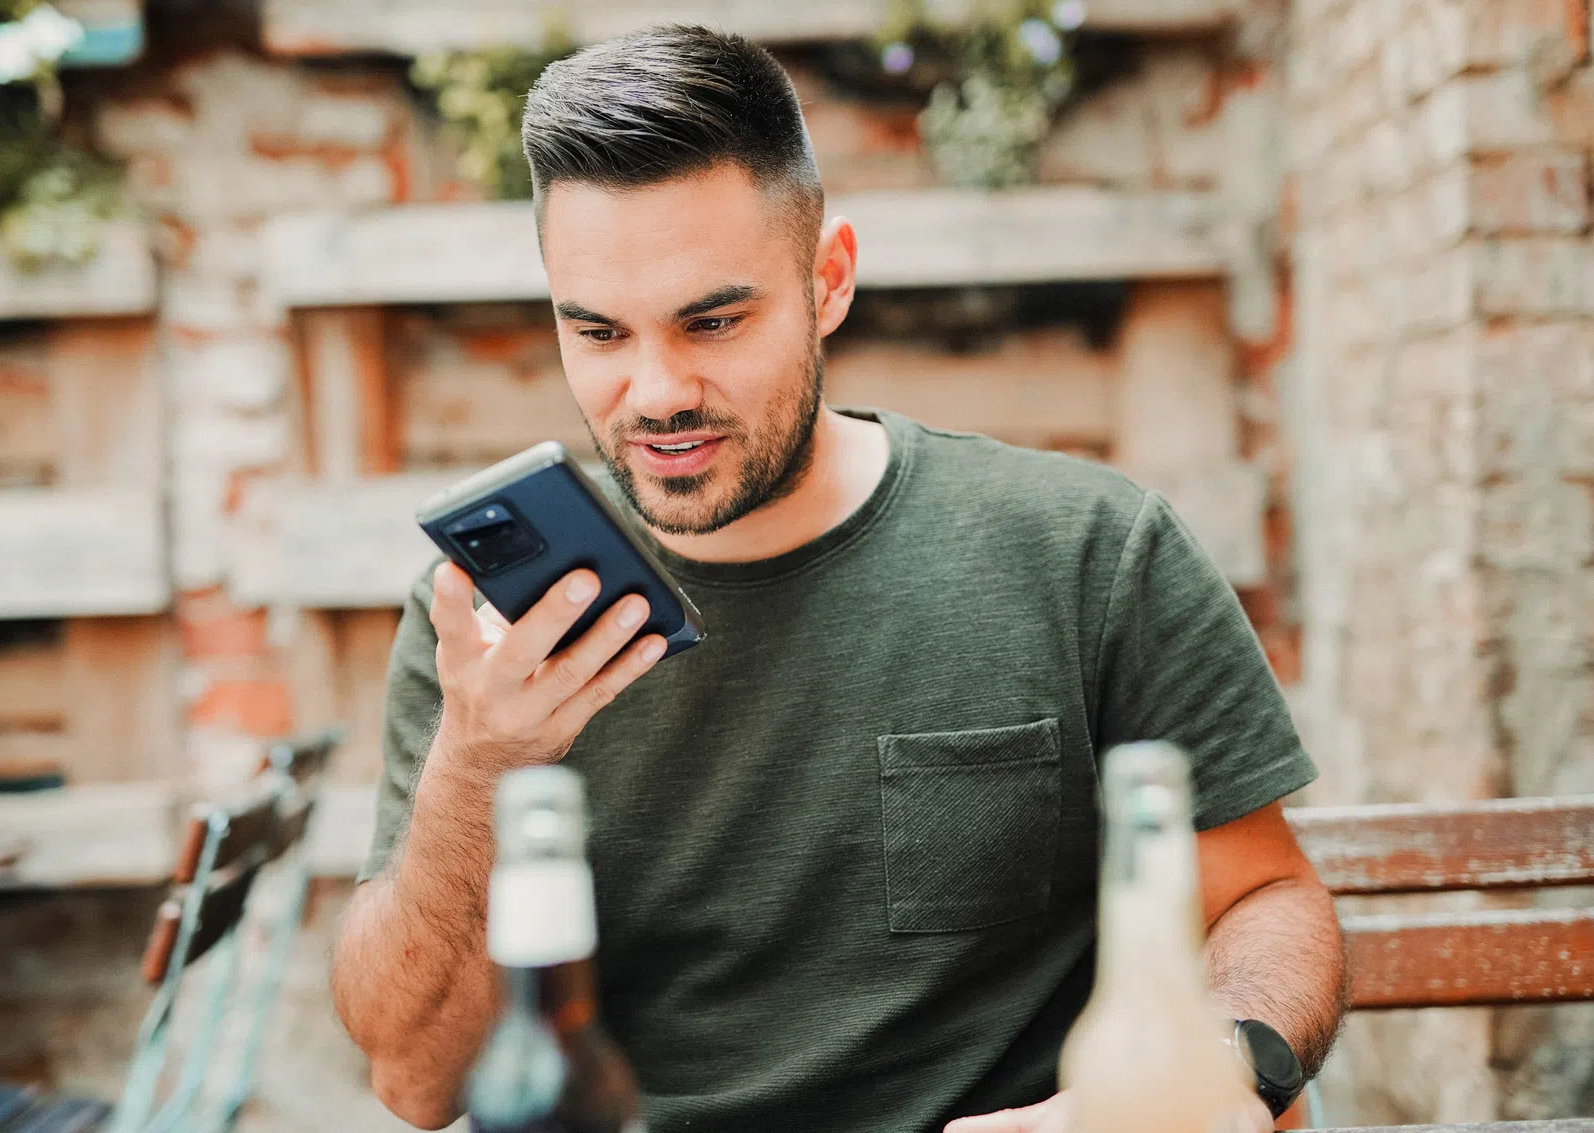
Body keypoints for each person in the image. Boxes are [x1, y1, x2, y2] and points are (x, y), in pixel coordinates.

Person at [332, 23, 1345, 1133]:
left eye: (712, 321)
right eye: (598, 331)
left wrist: (1220, 1072)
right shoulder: (490, 633)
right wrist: (475, 770)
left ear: (827, 281)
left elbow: (1264, 897)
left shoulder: (1088, 552)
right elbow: (416, 1081)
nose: (655, 389)